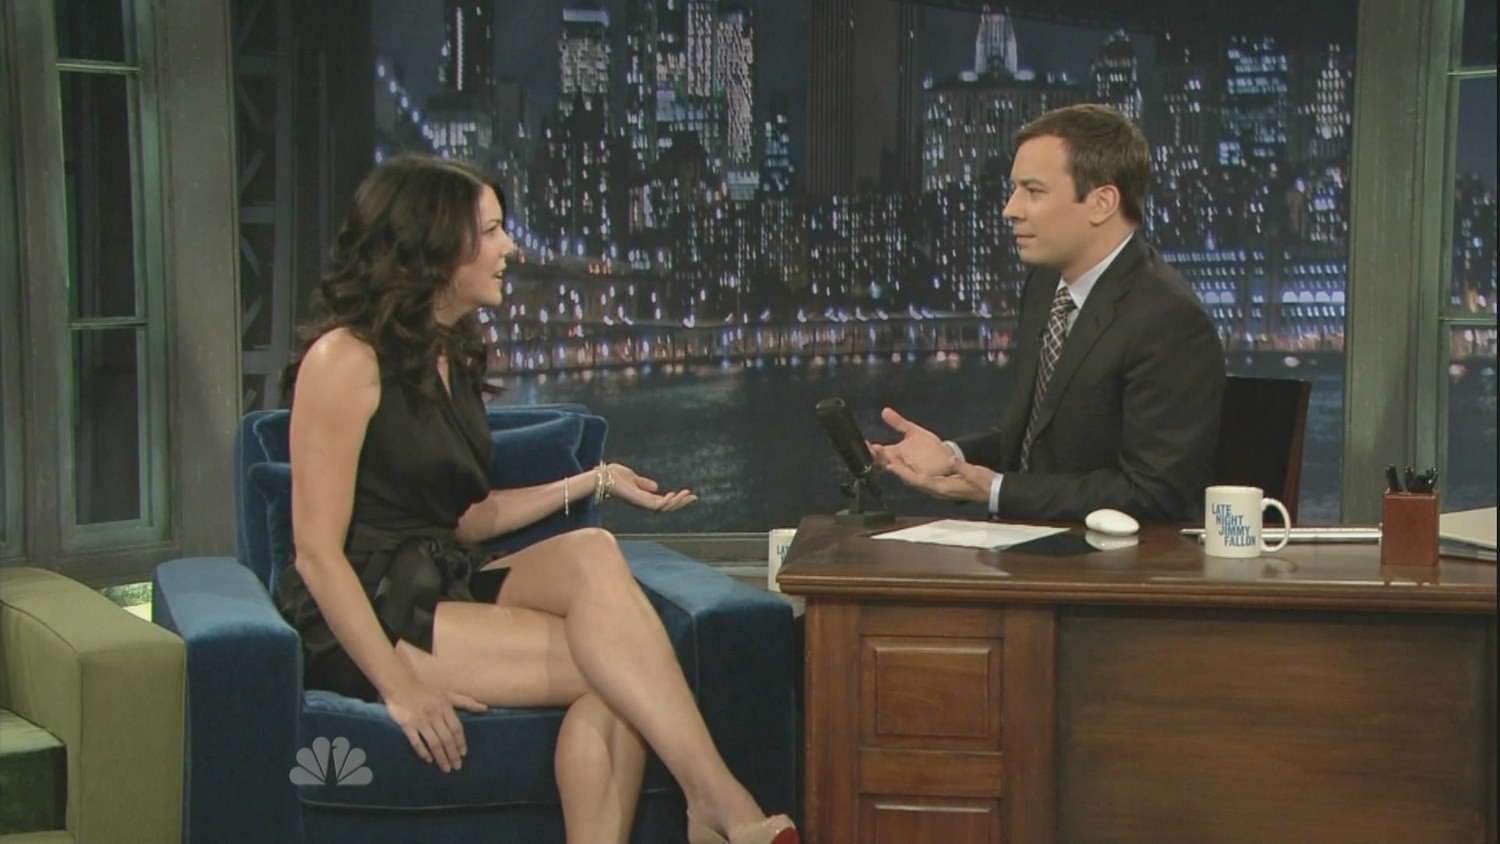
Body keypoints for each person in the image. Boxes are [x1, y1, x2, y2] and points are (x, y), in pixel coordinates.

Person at [276, 153, 797, 844]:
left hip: (440, 575)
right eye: (492, 231)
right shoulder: (344, 359)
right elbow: (316, 553)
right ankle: (719, 804)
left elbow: (465, 519)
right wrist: (400, 686)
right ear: (436, 245)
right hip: (370, 610)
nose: (512, 249)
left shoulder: (449, 352)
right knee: (625, 672)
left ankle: (711, 805)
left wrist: (594, 480)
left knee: (594, 552)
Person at [873, 104, 1225, 523]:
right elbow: (1033, 444)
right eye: (1014, 189)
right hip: (1031, 544)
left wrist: (996, 490)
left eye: (1033, 191)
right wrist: (952, 456)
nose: (1010, 209)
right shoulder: (1044, 286)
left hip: (1116, 559)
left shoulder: (1168, 319)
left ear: (1101, 203)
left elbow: (1154, 492)